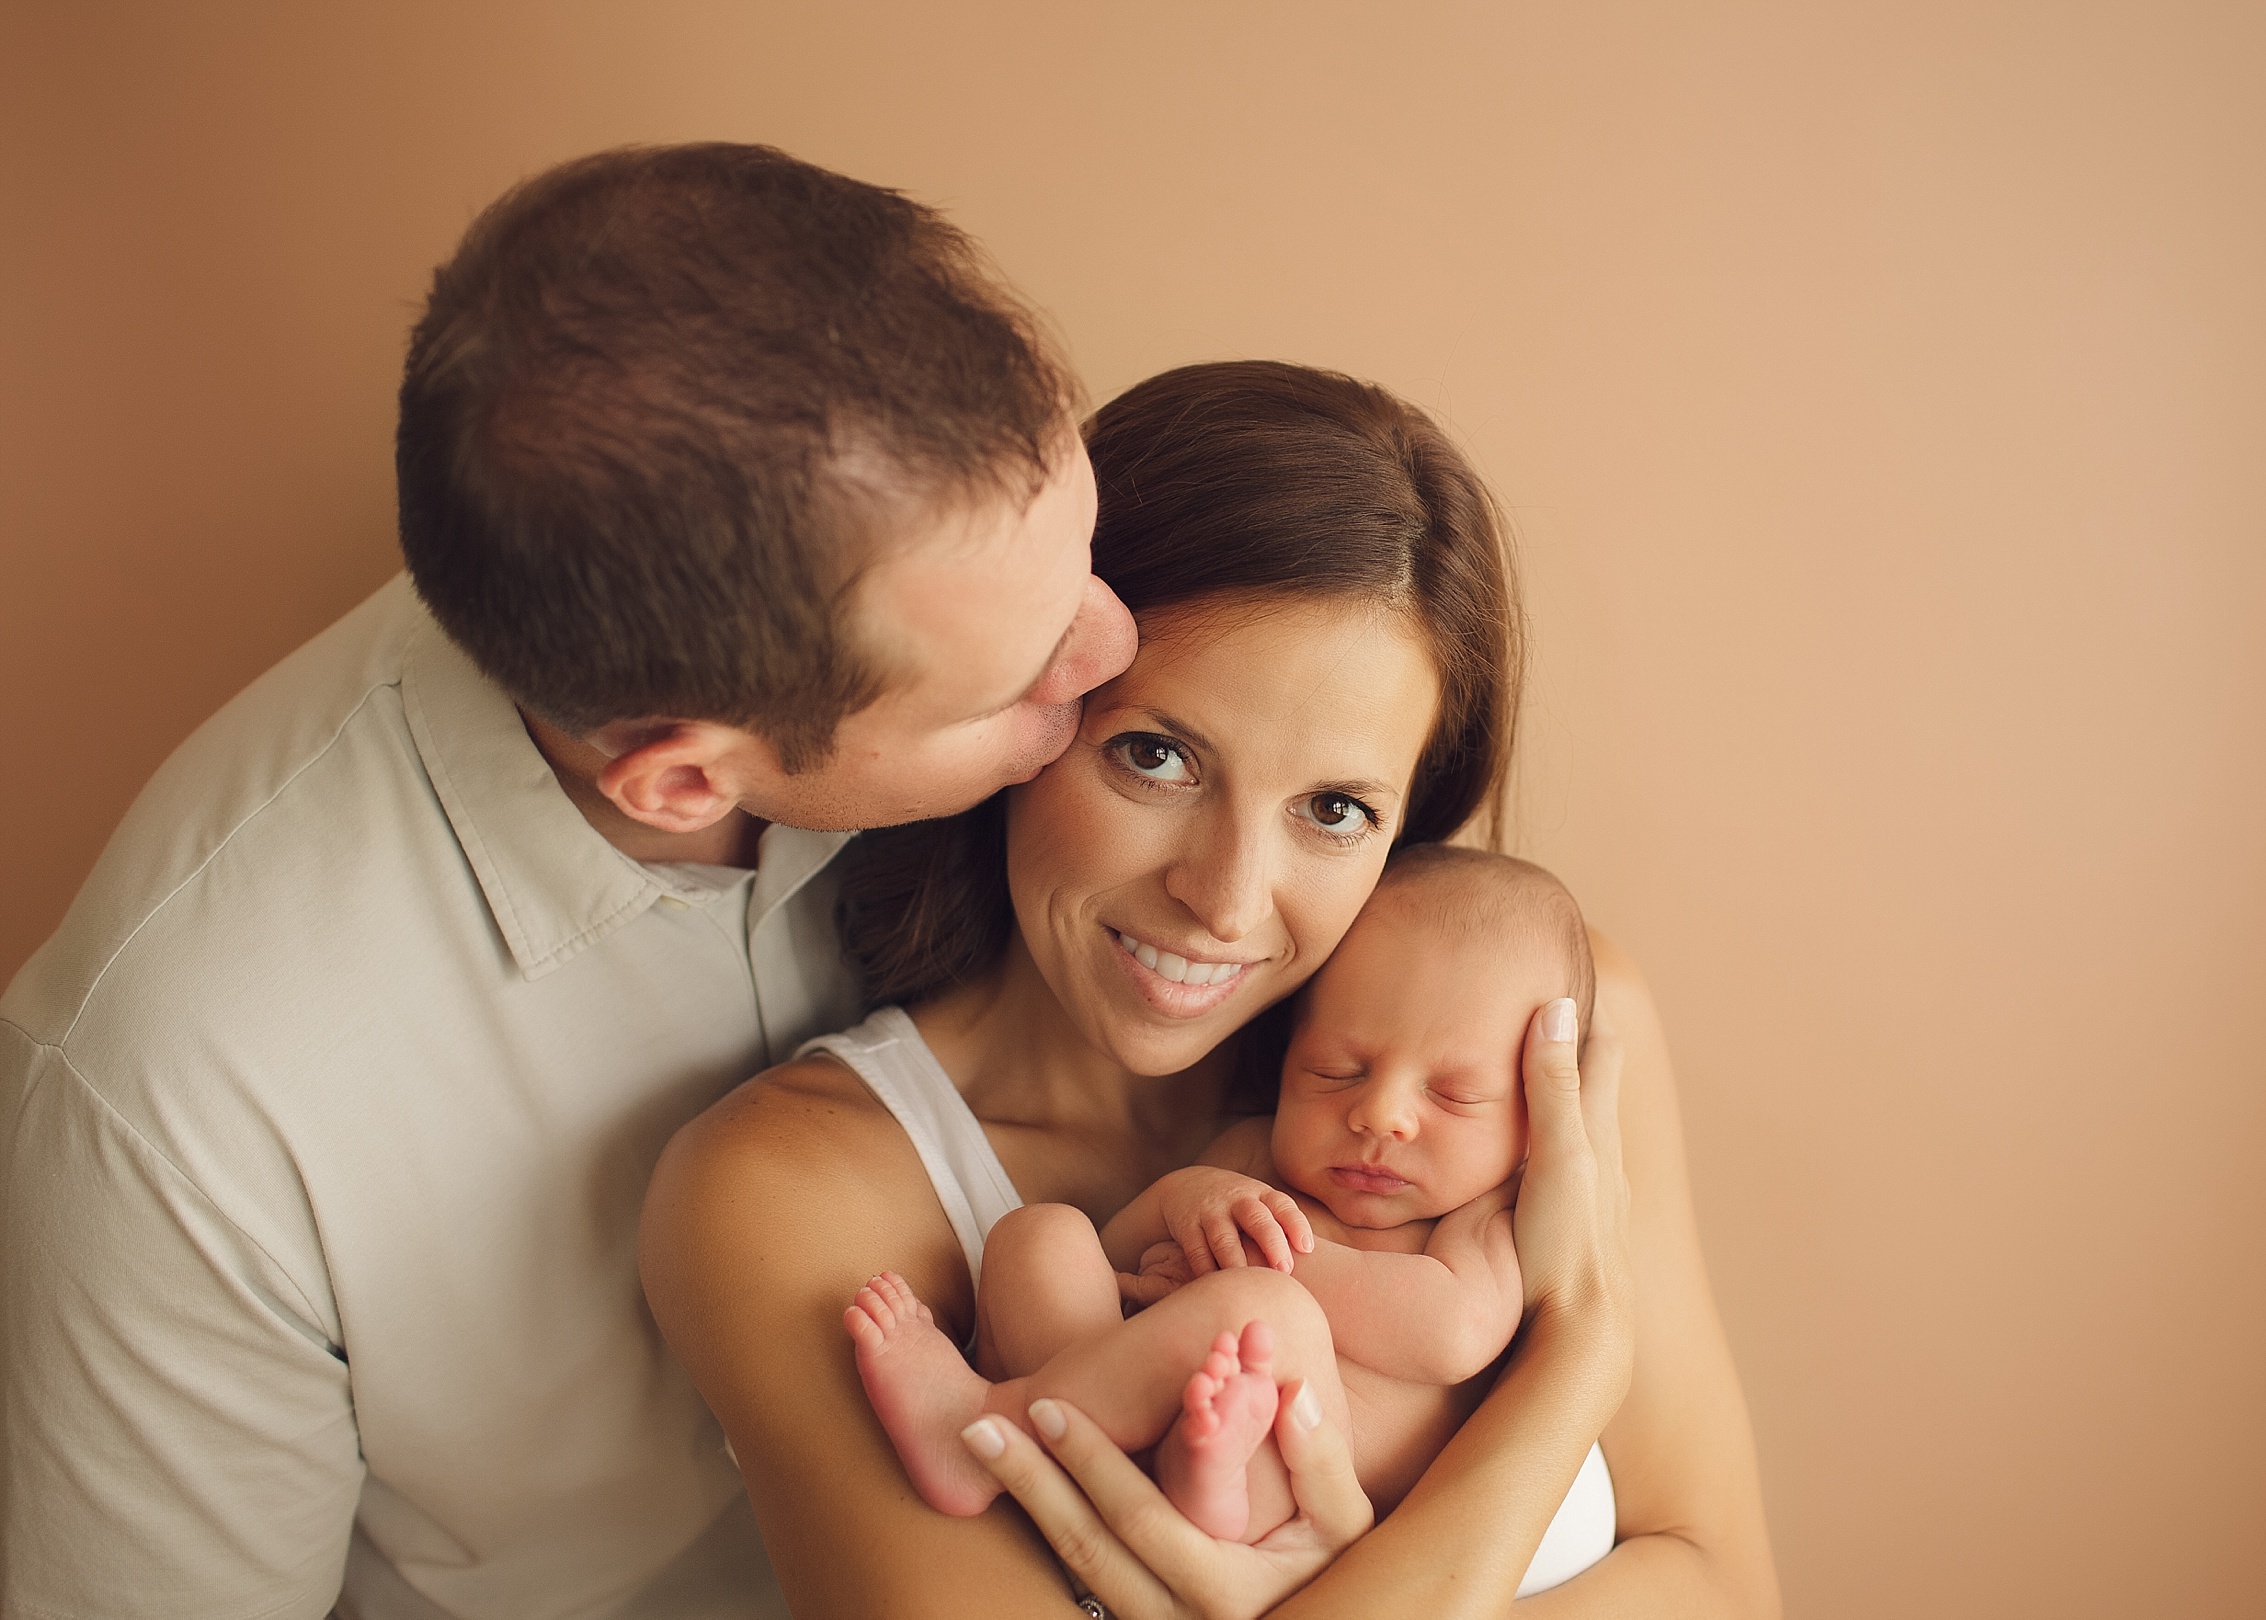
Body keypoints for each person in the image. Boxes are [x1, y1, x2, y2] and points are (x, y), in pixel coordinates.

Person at [0, 143, 1135, 1620]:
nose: (1109, 652)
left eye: (1087, 547)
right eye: (1011, 688)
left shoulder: (918, 581)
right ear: (678, 780)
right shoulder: (176, 1114)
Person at [642, 361, 1782, 1617]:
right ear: (1030, 714)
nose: (1229, 900)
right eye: (1157, 757)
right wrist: (1576, 1364)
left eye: (1335, 810)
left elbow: (1722, 1583)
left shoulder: (1534, 1041)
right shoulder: (789, 1197)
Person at [846, 846, 1593, 1566]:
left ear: (1534, 1116)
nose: (1380, 1115)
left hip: (1290, 1464)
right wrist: (1184, 1200)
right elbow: (1121, 1260)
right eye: (1336, 1072)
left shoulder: (1486, 1215)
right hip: (1134, 1392)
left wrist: (1268, 1271)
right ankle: (1103, 1448)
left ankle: (992, 1435)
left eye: (1455, 1095)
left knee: (1271, 1317)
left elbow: (1452, 1333)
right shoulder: (1255, 1157)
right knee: (1040, 1235)